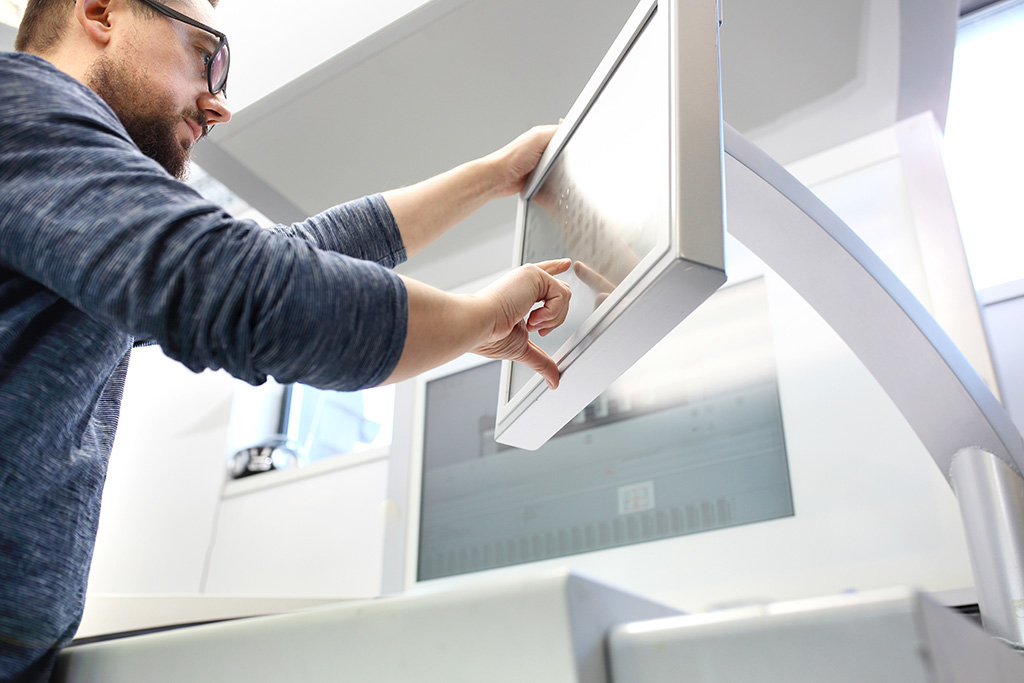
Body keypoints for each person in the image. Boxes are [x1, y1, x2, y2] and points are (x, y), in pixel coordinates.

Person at [0, 0, 572, 679]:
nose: (218, 106)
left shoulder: (49, 199)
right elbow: (251, 289)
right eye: (208, 56)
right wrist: (479, 315)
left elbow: (290, 253)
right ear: (99, 12)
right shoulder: (18, 104)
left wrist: (498, 173)